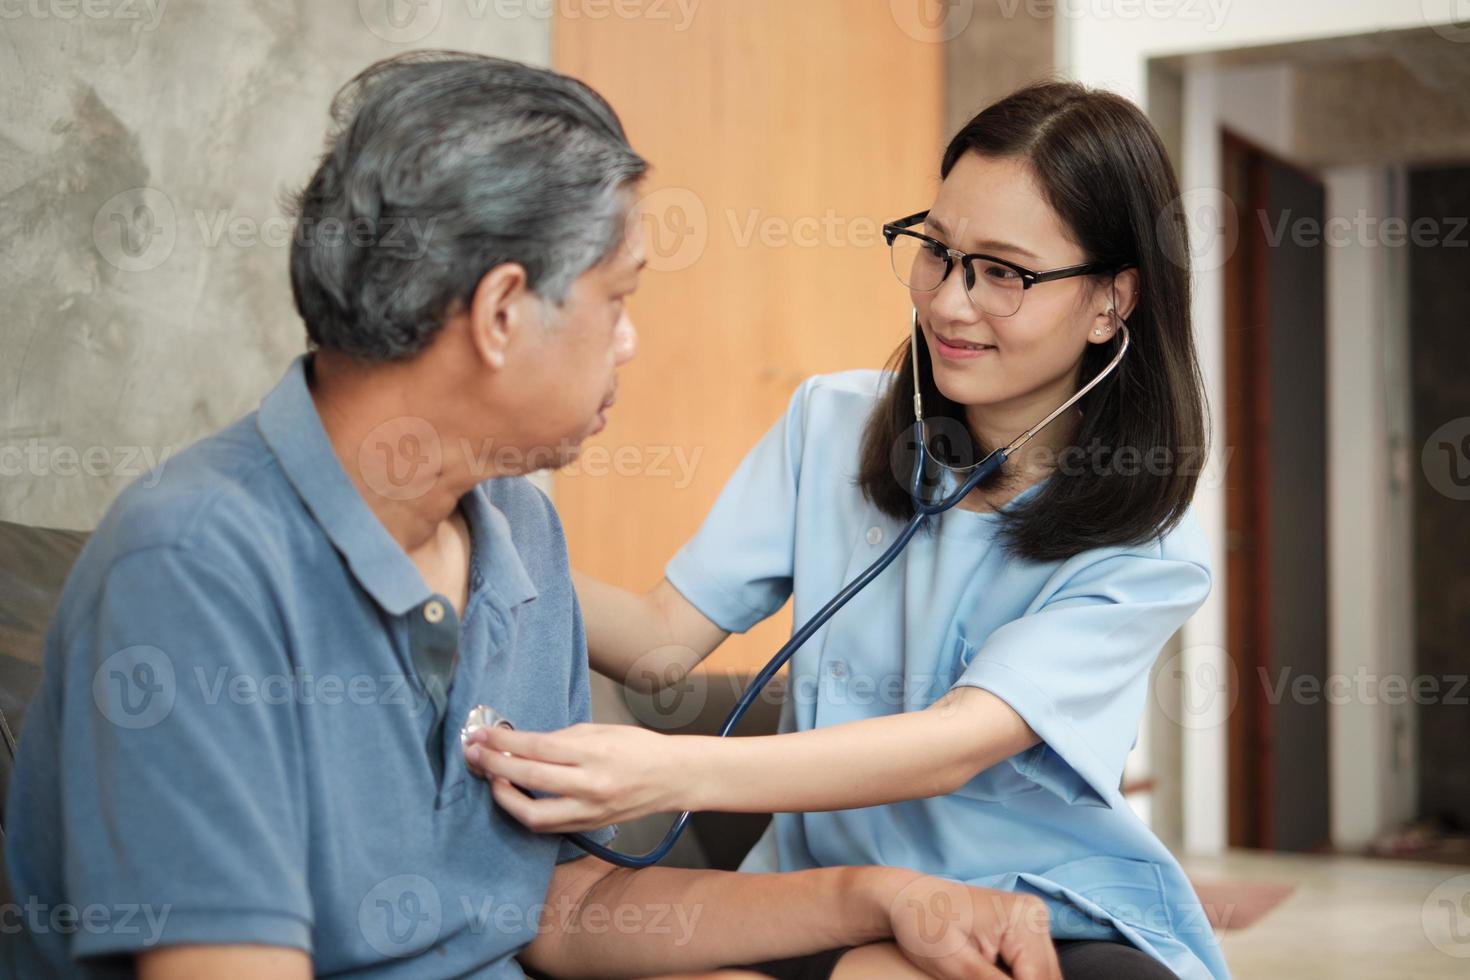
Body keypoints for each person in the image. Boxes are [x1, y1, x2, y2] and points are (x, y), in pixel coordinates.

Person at [3, 53, 1064, 980]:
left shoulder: (514, 525)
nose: (630, 341)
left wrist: (879, 897)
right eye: (618, 298)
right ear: (504, 312)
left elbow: (563, 910)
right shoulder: (193, 566)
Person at [462, 81, 1231, 980]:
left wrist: (673, 770)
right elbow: (662, 642)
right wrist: (472, 521)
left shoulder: (1151, 544)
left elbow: (955, 742)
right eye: (937, 252)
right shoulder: (827, 422)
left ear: (1110, 302)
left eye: (1004, 272)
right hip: (821, 894)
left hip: (1046, 906)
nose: (949, 302)